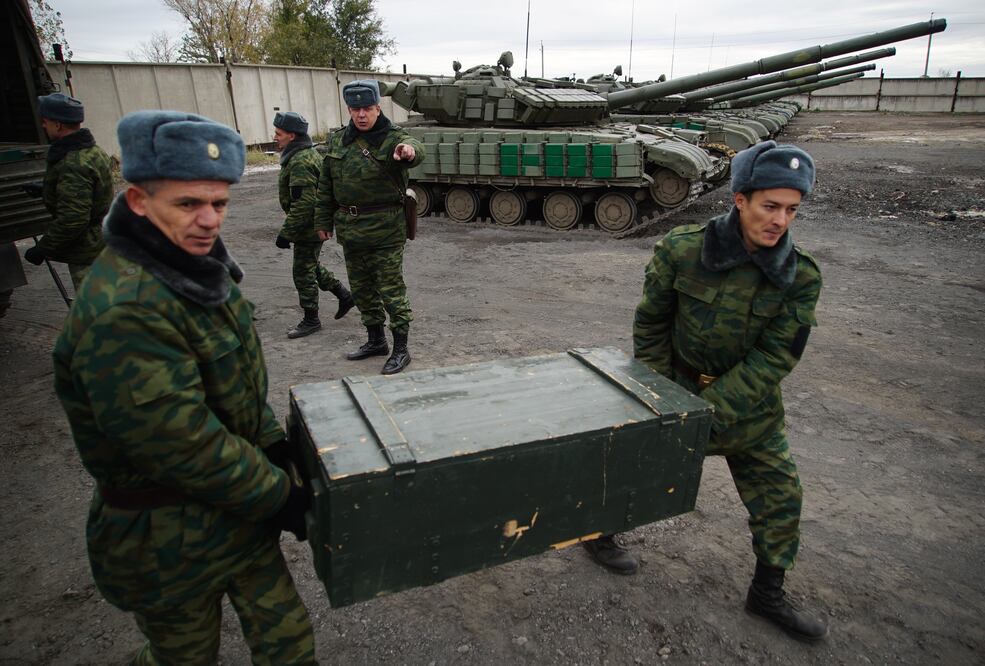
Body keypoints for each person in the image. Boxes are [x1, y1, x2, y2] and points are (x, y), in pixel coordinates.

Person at [52, 110, 316, 664]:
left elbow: (239, 381)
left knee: (290, 646)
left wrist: (273, 444)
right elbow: (181, 444)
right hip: (167, 540)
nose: (208, 220)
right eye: (188, 204)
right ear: (138, 202)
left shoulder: (198, 269)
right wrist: (279, 495)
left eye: (219, 203)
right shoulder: (126, 308)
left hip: (237, 513)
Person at [593, 140, 828, 642]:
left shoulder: (800, 277)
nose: (780, 221)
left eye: (791, 210)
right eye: (770, 206)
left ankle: (767, 594)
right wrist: (660, 394)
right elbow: (651, 323)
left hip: (749, 410)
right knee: (633, 471)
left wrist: (708, 411)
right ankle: (599, 535)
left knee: (781, 497)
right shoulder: (683, 250)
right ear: (740, 199)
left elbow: (776, 357)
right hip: (674, 390)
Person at [313, 79, 424, 375]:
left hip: (386, 230)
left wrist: (409, 152)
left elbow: (415, 148)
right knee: (362, 289)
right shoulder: (339, 140)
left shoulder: (393, 138)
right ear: (349, 110)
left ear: (377, 107)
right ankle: (376, 341)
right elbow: (326, 185)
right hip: (351, 230)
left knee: (390, 290)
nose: (361, 114)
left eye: (367, 108)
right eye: (355, 109)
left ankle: (401, 349)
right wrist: (322, 220)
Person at [273, 110, 354, 338]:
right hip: (311, 223)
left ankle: (311, 320)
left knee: (302, 271)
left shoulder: (301, 160)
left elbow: (304, 204)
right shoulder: (301, 155)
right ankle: (344, 295)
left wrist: (286, 233)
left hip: (309, 225)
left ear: (292, 135)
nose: (275, 137)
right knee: (310, 264)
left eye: (279, 133)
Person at [22, 92, 113, 290]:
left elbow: (73, 219)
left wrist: (43, 248)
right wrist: (48, 189)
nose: (43, 126)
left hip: (88, 251)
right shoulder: (93, 151)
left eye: (45, 122)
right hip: (101, 241)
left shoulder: (73, 162)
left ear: (58, 125)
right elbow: (92, 190)